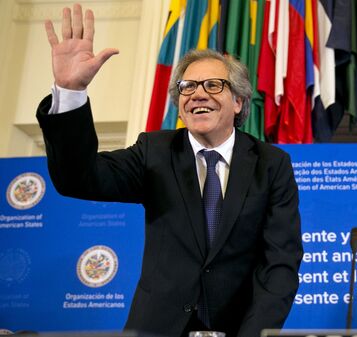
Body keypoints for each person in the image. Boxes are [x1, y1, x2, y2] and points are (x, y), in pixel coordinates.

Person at [36, 4, 303, 337]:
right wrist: (71, 92)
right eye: (187, 88)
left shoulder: (272, 164)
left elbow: (279, 265)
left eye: (213, 85)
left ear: (238, 101)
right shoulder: (155, 152)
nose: (197, 94)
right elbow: (78, 178)